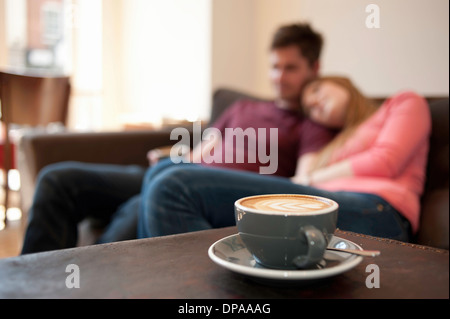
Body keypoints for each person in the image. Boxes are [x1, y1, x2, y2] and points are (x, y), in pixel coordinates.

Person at [21, 23, 334, 254]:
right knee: (57, 179)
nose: (279, 77)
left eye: (290, 68)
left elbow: (301, 184)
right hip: (173, 172)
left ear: (314, 68)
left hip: (196, 194)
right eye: (275, 67)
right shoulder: (243, 106)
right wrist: (174, 157)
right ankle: (35, 280)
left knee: (143, 201)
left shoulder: (311, 124)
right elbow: (202, 151)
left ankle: (82, 277)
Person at [137, 76, 431, 242]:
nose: (314, 103)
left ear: (344, 83)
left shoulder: (404, 102)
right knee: (164, 173)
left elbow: (387, 160)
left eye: (316, 89)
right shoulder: (334, 140)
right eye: (309, 109)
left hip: (379, 210)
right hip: (328, 200)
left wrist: (306, 180)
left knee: (175, 185)